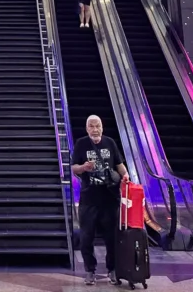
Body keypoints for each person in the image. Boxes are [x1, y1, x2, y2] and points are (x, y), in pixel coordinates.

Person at [71, 115, 128, 285]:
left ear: (102, 127)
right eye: (91, 126)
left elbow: (119, 165)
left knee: (112, 238)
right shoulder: (81, 144)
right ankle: (90, 271)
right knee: (86, 238)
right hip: (89, 199)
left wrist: (126, 177)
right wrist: (84, 167)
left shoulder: (110, 142)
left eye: (98, 126)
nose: (95, 130)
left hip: (110, 199)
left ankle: (112, 269)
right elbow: (74, 167)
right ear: (87, 128)